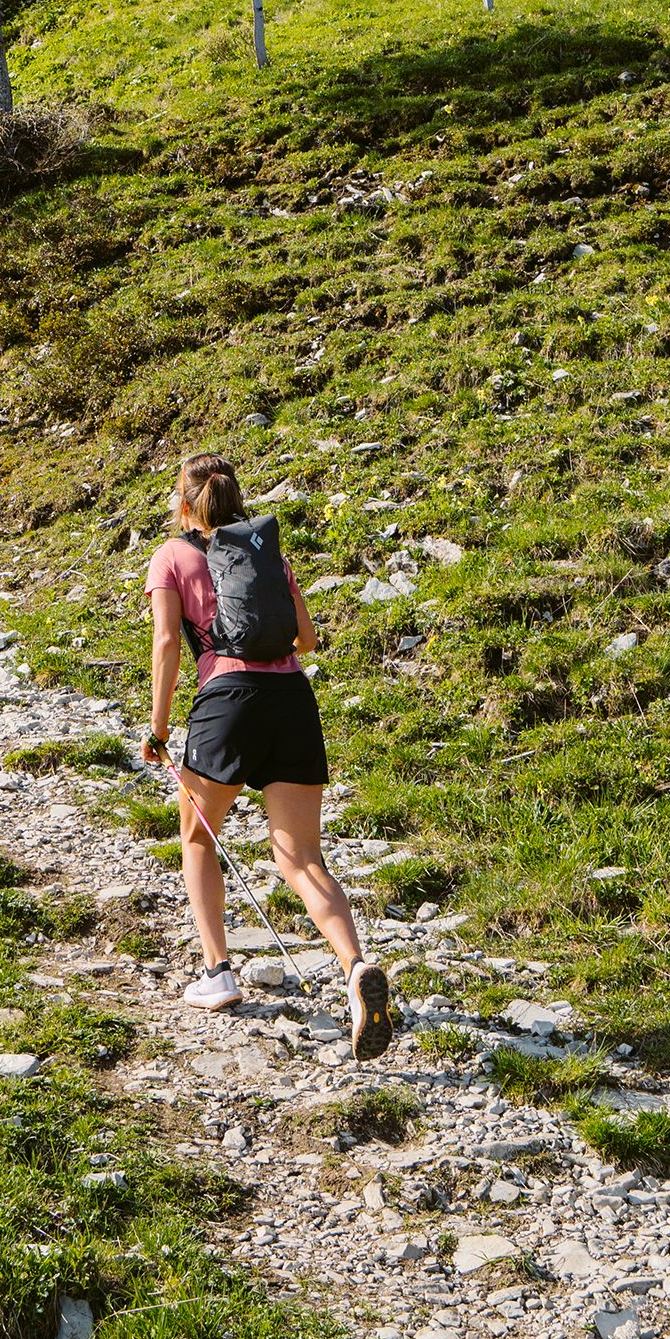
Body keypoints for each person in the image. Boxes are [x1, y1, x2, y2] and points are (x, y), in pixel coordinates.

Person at [142, 449, 394, 1060]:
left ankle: (217, 971)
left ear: (184, 502)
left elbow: (169, 641)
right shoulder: (268, 555)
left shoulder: (171, 556)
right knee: (303, 856)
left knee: (200, 838)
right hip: (291, 699)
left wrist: (157, 727)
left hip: (226, 700)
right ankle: (356, 967)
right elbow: (306, 639)